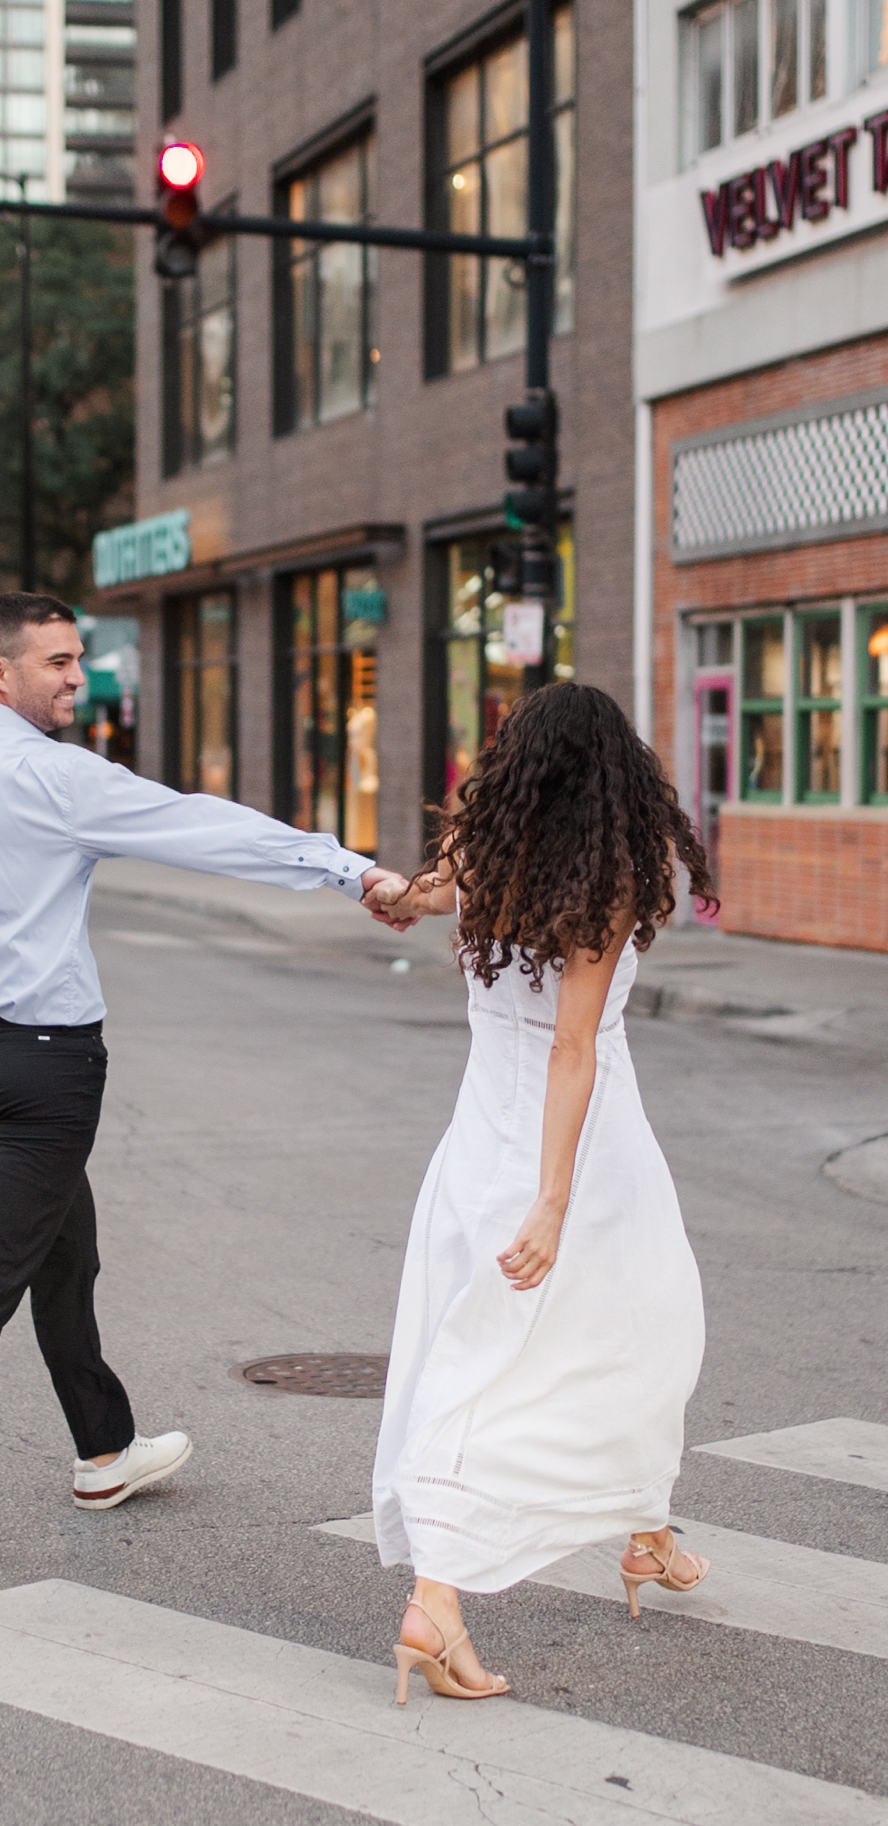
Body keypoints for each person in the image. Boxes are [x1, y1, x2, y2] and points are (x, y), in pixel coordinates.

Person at [0, 592, 405, 1573]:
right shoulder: (51, 775)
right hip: (45, 1063)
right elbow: (193, 825)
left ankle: (104, 1448)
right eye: (56, 661)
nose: (77, 676)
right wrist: (342, 867)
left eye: (77, 659)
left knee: (65, 1253)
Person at [362, 682, 715, 1704]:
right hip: (580, 1155)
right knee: (604, 1341)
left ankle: (648, 1532)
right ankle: (438, 1595)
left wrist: (389, 889)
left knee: (534, 1342)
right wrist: (555, 1201)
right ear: (617, 776)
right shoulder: (605, 879)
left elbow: (417, 894)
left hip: (480, 1143)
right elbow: (572, 1048)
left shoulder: (484, 857)